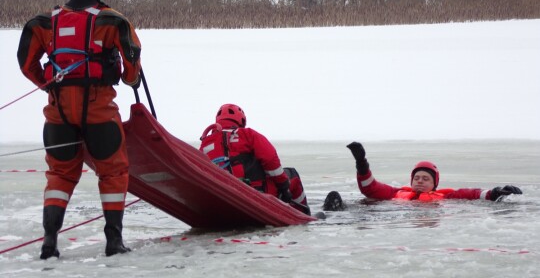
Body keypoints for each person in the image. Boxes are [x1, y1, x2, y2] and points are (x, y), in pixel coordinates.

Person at [17, 0, 142, 259]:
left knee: (60, 175)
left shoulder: (44, 23)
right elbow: (132, 56)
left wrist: (48, 85)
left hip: (58, 115)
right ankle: (114, 241)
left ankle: (49, 241)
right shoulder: (112, 20)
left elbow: (26, 62)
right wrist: (129, 78)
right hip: (99, 113)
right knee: (112, 172)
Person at [323, 142, 522, 211]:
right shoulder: (397, 193)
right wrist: (361, 163)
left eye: (425, 179)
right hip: (383, 211)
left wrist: (494, 192)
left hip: (394, 218)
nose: (420, 181)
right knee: (363, 207)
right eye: (417, 177)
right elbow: (370, 188)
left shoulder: (444, 197)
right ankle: (337, 211)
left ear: (434, 184)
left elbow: (470, 193)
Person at [199, 104, 311, 215]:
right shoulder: (247, 134)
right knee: (292, 174)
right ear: (241, 120)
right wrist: (284, 186)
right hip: (256, 191)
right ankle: (302, 213)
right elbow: (271, 160)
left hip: (220, 193)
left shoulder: (205, 143)